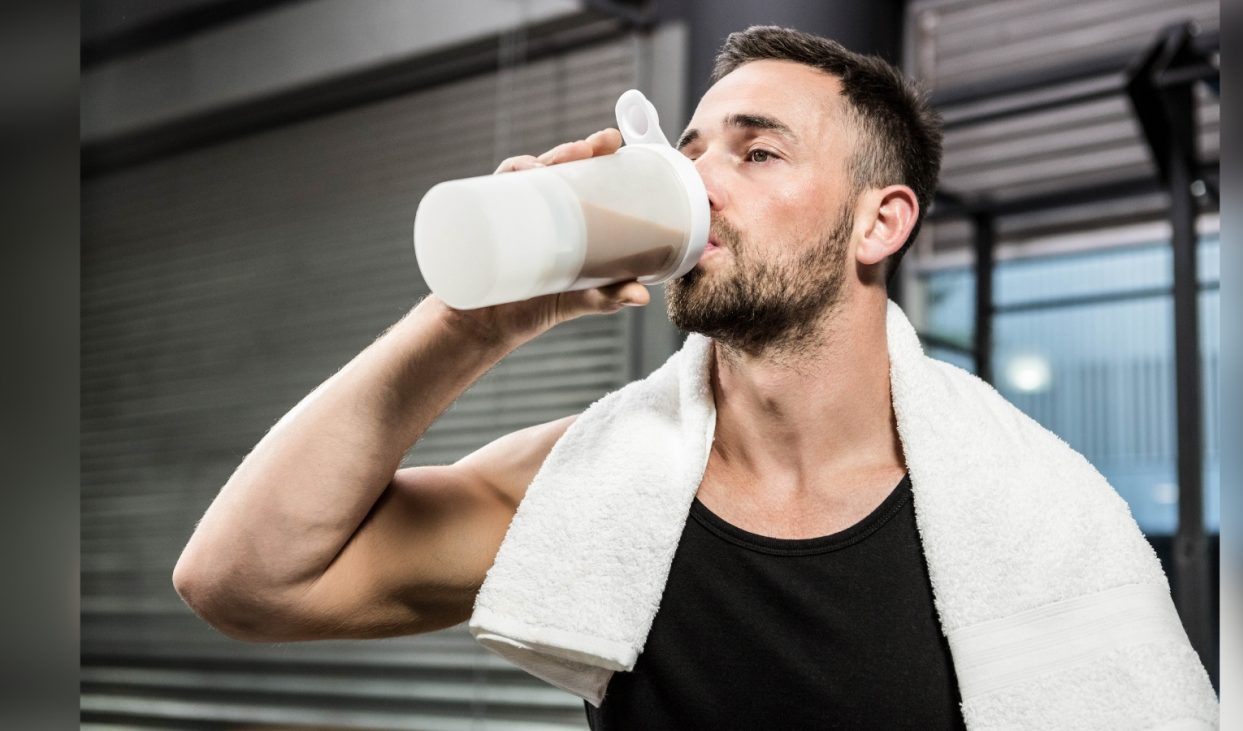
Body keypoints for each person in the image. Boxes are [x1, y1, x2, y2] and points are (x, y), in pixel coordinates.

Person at [174, 25, 956, 727]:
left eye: (756, 153)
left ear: (879, 221)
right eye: (688, 155)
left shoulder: (1013, 509)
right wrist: (475, 320)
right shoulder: (592, 480)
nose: (700, 184)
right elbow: (243, 582)